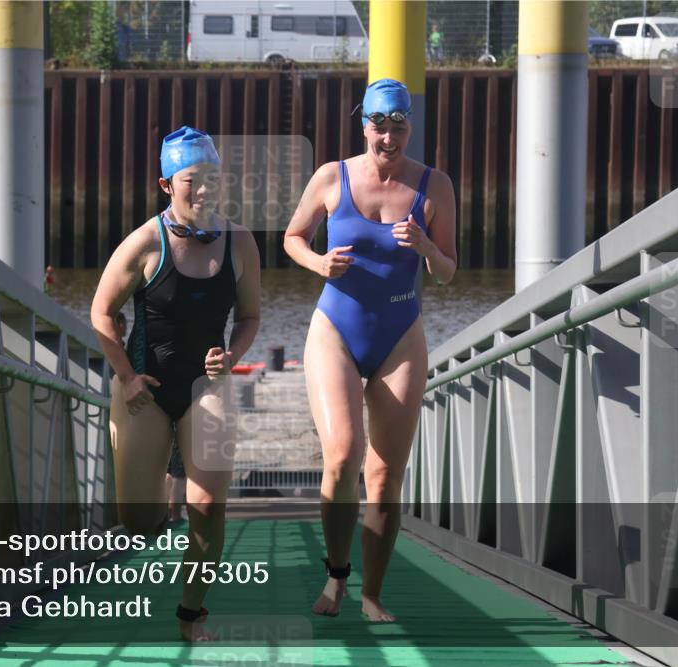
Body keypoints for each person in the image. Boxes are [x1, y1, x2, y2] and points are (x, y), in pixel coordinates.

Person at [283, 79, 457, 621]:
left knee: (384, 475)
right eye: (380, 126)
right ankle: (336, 577)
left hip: (400, 333)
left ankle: (372, 594)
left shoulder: (435, 185)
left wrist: (427, 247)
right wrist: (318, 263)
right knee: (341, 455)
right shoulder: (331, 177)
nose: (389, 137)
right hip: (336, 326)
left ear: (409, 128)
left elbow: (449, 272)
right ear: (365, 126)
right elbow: (293, 237)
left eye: (399, 126)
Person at [91, 126, 261, 641]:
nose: (204, 189)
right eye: (193, 180)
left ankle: (191, 614)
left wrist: (231, 355)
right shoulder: (144, 243)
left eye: (213, 177)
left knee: (208, 507)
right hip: (145, 390)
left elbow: (250, 317)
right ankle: (160, 490)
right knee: (140, 522)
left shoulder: (239, 242)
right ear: (166, 184)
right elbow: (101, 312)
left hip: (205, 389)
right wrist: (125, 375)